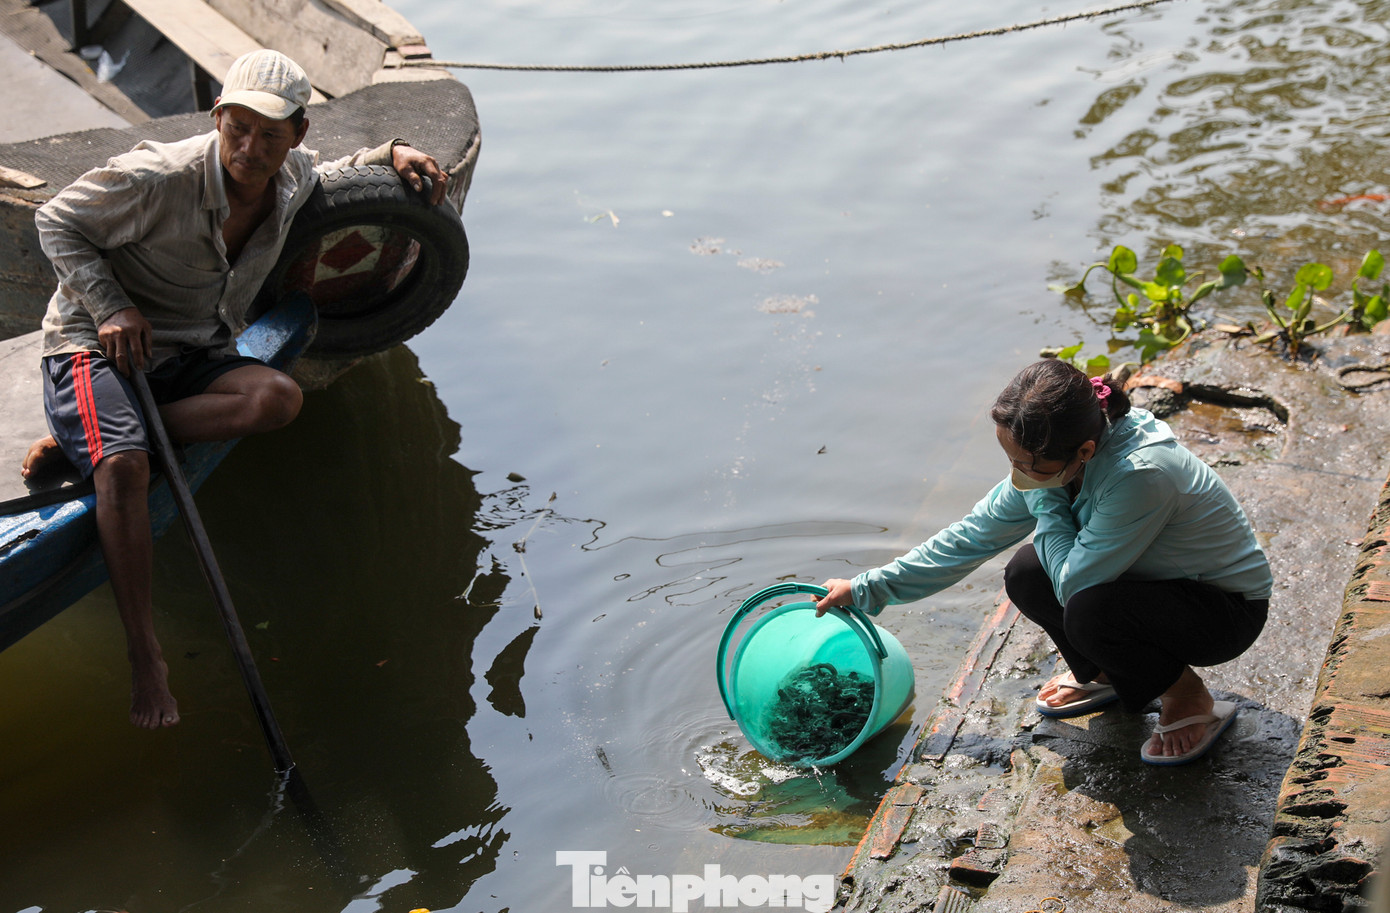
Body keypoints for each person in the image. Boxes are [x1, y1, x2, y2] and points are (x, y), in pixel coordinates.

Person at [19, 49, 449, 729]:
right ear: (218, 118)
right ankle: (146, 654)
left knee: (276, 398)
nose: (249, 149)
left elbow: (332, 180)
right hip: (97, 346)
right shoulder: (159, 178)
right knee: (127, 466)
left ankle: (101, 433)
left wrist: (389, 151)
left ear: (297, 136)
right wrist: (108, 305)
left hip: (192, 347)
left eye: (270, 136)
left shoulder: (293, 174)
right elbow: (56, 222)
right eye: (237, 129)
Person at [814, 358, 1272, 765]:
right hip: (1149, 585)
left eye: (1028, 465)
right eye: (1010, 459)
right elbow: (972, 535)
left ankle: (1188, 697)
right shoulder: (1056, 453)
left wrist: (1047, 498)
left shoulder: (1142, 475)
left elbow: (1075, 586)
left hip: (1223, 611)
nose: (1018, 475)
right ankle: (1110, 674)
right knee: (1027, 571)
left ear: (1085, 452)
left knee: (1087, 608)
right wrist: (867, 587)